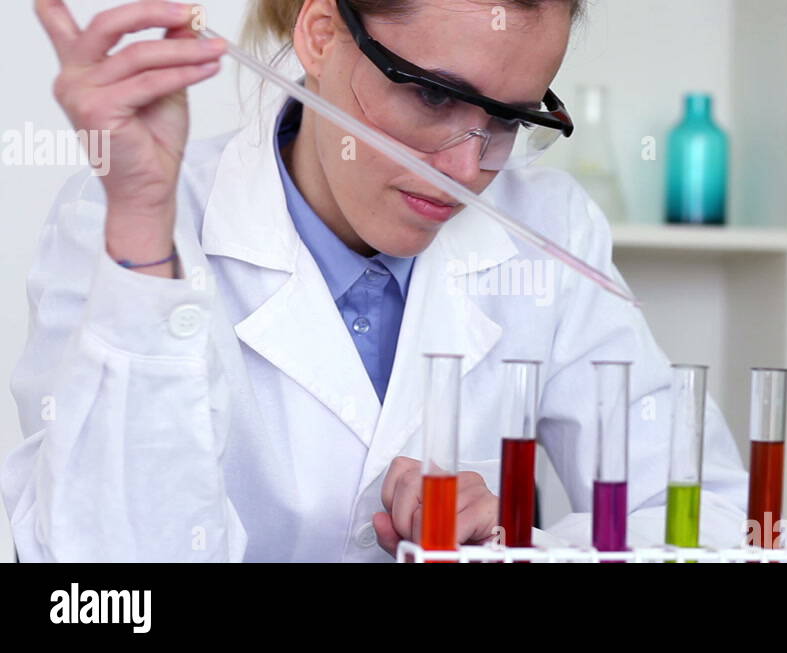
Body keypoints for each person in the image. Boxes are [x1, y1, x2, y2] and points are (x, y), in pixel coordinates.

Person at [2, 0, 748, 562]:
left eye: (510, 119)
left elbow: (703, 517)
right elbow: (96, 579)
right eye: (431, 95)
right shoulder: (125, 217)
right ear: (322, 36)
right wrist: (140, 230)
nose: (465, 171)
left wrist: (515, 548)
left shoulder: (551, 234)